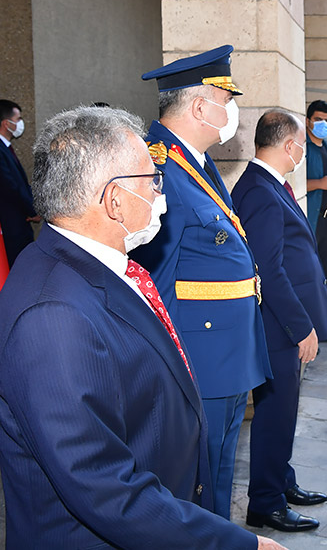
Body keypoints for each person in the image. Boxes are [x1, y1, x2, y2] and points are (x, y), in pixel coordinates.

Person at [0, 106, 284, 550]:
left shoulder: (96, 264)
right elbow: (105, 488)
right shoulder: (52, 317)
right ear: (114, 199)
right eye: (151, 180)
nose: (161, 192)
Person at [133, 45, 271, 519]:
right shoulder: (159, 169)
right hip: (197, 362)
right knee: (196, 485)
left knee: (216, 481)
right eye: (225, 99)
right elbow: (150, 282)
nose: (230, 111)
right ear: (198, 106)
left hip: (224, 358)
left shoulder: (192, 161)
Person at [232, 110, 327, 533]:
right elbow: (267, 270)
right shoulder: (258, 190)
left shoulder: (270, 185)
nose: (303, 152)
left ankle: (281, 481)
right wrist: (300, 327)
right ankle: (266, 503)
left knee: (285, 411)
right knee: (275, 413)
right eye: (302, 145)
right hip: (278, 327)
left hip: (283, 323)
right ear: (289, 145)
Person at [0, 99, 39, 265]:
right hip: (10, 226)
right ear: (6, 123)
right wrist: (31, 209)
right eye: (18, 119)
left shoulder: (2, 146)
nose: (21, 124)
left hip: (18, 224)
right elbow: (10, 187)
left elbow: (20, 183)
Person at [304, 101, 327, 310]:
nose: (323, 124)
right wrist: (319, 184)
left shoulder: (326, 147)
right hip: (312, 219)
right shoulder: (304, 148)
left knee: (324, 273)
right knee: (309, 274)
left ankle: (321, 324)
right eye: (318, 119)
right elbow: (293, 185)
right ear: (308, 121)